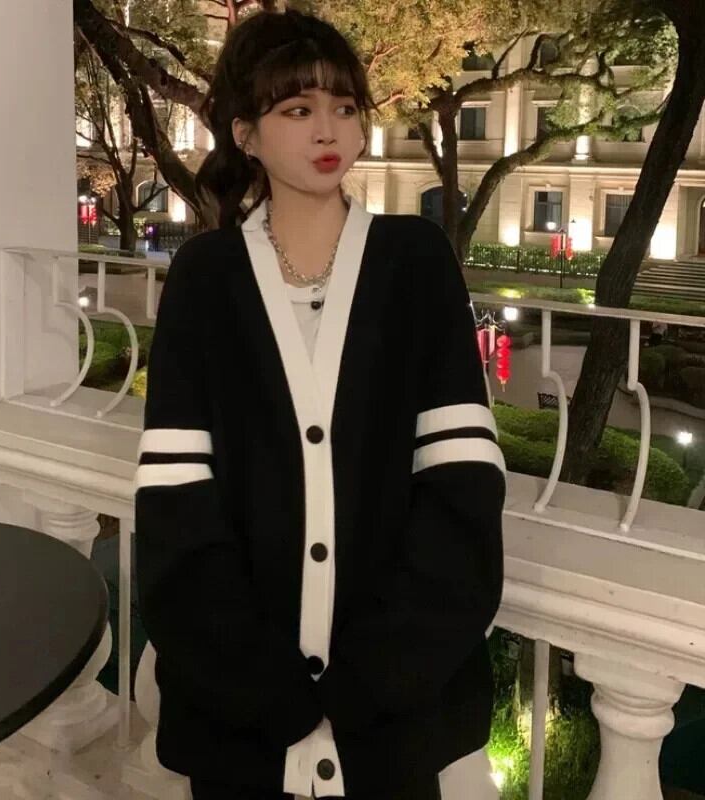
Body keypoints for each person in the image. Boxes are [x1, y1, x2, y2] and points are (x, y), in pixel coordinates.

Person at [134, 8, 506, 800]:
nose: (328, 129)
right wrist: (266, 693)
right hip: (239, 731)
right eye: (297, 109)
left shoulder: (416, 263)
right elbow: (176, 509)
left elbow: (462, 489)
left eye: (344, 106)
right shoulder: (205, 278)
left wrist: (370, 684)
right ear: (245, 133)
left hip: (393, 728)